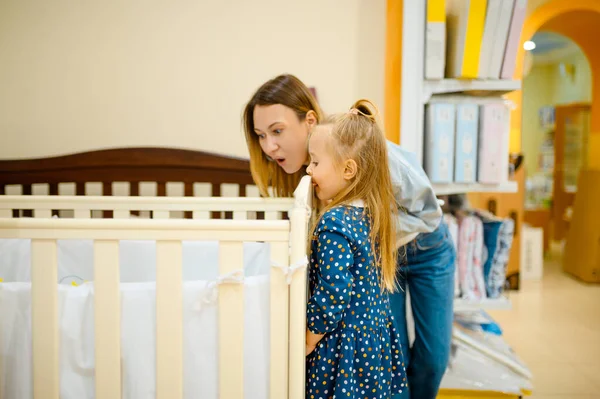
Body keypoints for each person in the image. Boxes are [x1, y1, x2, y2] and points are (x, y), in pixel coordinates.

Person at [243, 74, 456, 399]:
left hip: (424, 245)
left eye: (277, 131)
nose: (269, 146)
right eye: (260, 135)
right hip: (376, 260)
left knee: (432, 359)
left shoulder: (364, 152)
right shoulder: (314, 180)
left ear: (309, 121)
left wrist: (371, 230)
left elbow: (428, 212)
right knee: (388, 350)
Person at [304, 99, 406, 398]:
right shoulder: (371, 214)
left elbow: (334, 291)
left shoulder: (334, 222)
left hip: (344, 348)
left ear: (348, 169)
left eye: (315, 162)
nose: (308, 170)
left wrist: (310, 337)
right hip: (373, 343)